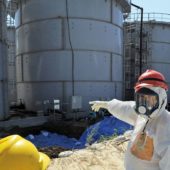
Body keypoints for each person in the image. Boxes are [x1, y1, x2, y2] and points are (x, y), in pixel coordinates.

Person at [89, 69, 170, 170]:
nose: (145, 103)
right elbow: (124, 108)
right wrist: (107, 104)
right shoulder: (141, 115)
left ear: (161, 98)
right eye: (142, 98)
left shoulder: (166, 124)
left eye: (150, 98)